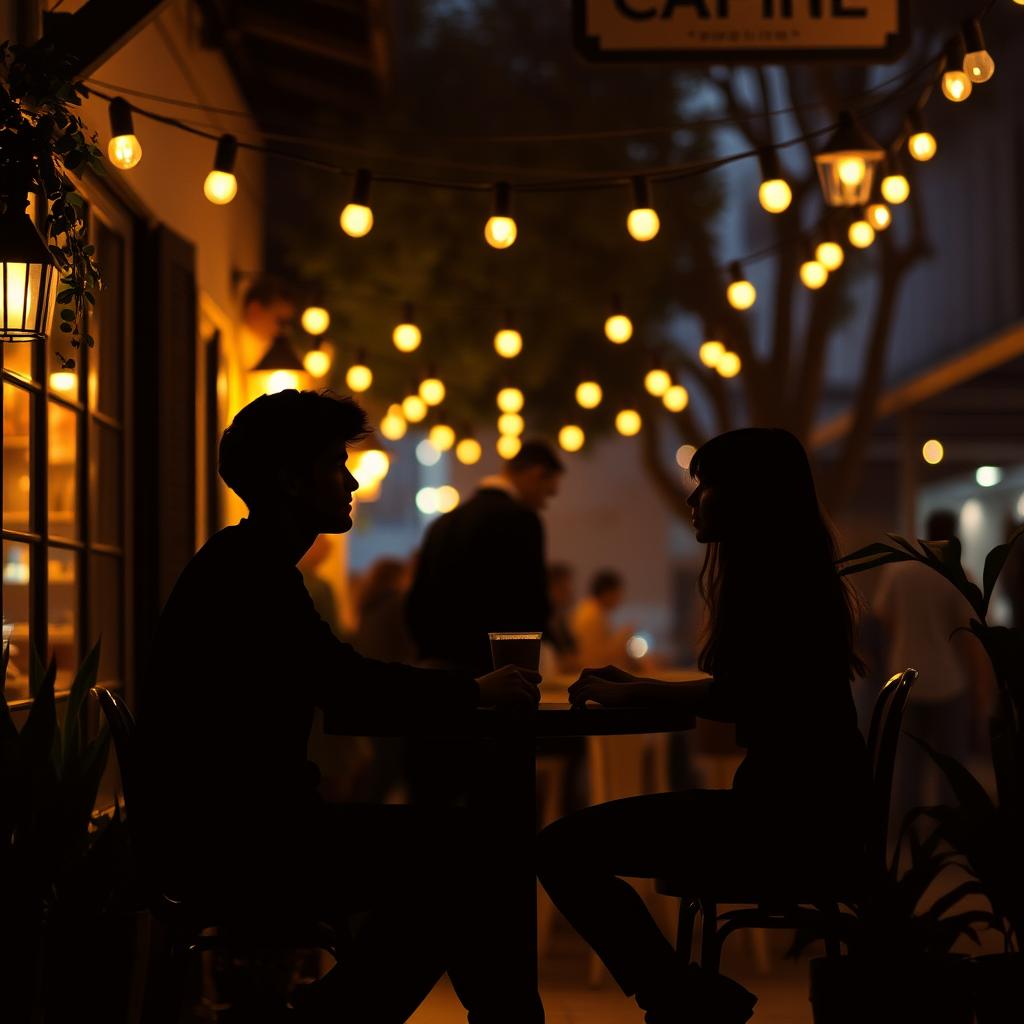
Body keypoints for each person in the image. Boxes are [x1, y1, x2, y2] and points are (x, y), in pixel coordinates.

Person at [138, 390, 543, 1024]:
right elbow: (346, 686)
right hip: (245, 843)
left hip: (219, 832)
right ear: (288, 479)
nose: (352, 478)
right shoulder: (254, 576)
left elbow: (337, 678)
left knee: (466, 853)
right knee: (474, 854)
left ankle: (345, 1011)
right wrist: (474, 691)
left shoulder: (242, 563)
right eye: (335, 462)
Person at [537, 428, 869, 1024]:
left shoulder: (778, 586)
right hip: (814, 814)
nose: (693, 500)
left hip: (781, 823)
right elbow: (756, 695)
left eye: (705, 485)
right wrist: (640, 688)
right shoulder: (796, 577)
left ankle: (678, 997)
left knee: (559, 848)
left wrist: (638, 689)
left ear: (746, 496)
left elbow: (745, 695)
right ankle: (682, 997)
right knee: (564, 848)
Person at [406, 440, 564, 675]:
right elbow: (529, 597)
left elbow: (416, 600)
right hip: (494, 672)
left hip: (436, 666)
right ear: (535, 473)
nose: (545, 502)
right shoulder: (522, 520)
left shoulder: (443, 522)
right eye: (548, 492)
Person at [873, 509, 991, 817]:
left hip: (904, 680)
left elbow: (883, 617)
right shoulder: (957, 575)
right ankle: (949, 831)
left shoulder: (899, 571)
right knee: (951, 766)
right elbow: (969, 639)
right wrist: (981, 689)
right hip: (949, 682)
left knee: (906, 763)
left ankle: (902, 831)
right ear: (954, 537)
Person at [570, 569, 633, 668]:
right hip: (592, 674)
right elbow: (593, 656)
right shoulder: (591, 615)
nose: (619, 599)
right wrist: (623, 637)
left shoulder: (593, 611)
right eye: (617, 593)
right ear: (607, 593)